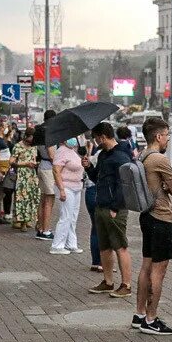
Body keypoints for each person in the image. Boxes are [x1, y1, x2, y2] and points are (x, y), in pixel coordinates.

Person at [131, 117, 172, 336]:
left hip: (147, 216)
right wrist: (168, 184)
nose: (168, 139)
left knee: (146, 266)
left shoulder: (141, 155)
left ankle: (139, 313)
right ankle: (151, 319)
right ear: (159, 136)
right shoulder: (159, 159)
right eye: (167, 135)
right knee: (158, 272)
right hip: (162, 218)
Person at [86, 122, 135, 300]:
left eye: (96, 137)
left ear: (103, 136)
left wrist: (115, 207)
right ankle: (107, 281)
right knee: (104, 246)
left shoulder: (121, 156)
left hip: (115, 209)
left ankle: (126, 284)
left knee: (120, 246)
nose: (95, 141)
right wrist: (88, 168)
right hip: (101, 205)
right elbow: (97, 177)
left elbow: (125, 184)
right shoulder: (103, 156)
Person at [49, 137, 85, 255]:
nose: (73, 139)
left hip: (76, 187)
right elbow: (56, 171)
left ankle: (71, 243)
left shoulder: (73, 151)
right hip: (66, 186)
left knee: (73, 216)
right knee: (66, 216)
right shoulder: (61, 151)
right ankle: (57, 245)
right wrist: (62, 190)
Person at [33, 110, 57, 240]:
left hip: (42, 165)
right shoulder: (50, 132)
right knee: (49, 200)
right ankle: (46, 231)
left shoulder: (39, 130)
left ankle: (40, 227)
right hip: (49, 168)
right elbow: (52, 155)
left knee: (43, 200)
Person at [10, 130, 41, 231]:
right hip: (22, 175)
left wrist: (36, 163)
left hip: (32, 175)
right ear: (26, 136)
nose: (32, 140)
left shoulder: (34, 146)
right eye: (31, 138)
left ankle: (28, 220)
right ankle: (21, 222)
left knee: (32, 198)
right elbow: (11, 162)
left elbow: (35, 158)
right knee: (22, 198)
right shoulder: (18, 146)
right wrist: (25, 164)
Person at [81, 136, 102, 272]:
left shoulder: (92, 156)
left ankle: (96, 261)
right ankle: (103, 262)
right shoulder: (103, 155)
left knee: (95, 227)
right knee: (103, 229)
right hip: (98, 191)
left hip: (90, 191)